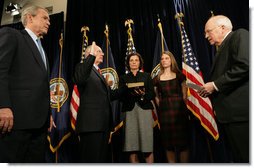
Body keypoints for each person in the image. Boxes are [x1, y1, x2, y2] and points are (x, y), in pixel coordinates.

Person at [0, 6, 51, 162]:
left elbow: (41, 85)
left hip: (39, 125)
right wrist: (3, 105)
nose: (49, 22)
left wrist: (47, 113)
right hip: (16, 122)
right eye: (45, 18)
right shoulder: (13, 35)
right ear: (30, 18)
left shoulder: (42, 48)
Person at [199, 15, 249, 163]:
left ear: (222, 28)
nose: (206, 35)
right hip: (230, 116)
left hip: (241, 116)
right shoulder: (221, 48)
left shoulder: (240, 35)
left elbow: (245, 65)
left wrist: (214, 85)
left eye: (208, 31)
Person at [73, 42, 123, 163]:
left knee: (100, 160)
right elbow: (80, 79)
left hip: (102, 125)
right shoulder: (82, 67)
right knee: (90, 160)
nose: (103, 53)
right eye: (99, 51)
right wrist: (90, 56)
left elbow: (109, 95)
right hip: (91, 125)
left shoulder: (99, 72)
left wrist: (128, 88)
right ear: (90, 53)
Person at [153, 51, 190, 163]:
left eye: (166, 58)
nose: (164, 60)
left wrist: (181, 107)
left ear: (171, 60)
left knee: (183, 143)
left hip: (179, 111)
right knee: (168, 144)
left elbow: (185, 96)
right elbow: (156, 98)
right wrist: (163, 107)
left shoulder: (179, 76)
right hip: (165, 113)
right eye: (162, 58)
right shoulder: (157, 79)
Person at [119, 52, 155, 163]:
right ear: (128, 63)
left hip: (144, 110)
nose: (134, 62)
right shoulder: (123, 78)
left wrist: (143, 95)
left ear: (140, 63)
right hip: (129, 112)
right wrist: (130, 94)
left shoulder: (146, 76)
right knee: (131, 147)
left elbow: (152, 94)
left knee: (147, 147)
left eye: (136, 60)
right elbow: (120, 96)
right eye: (131, 60)